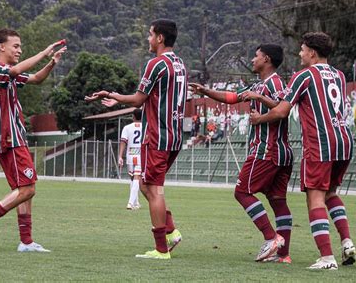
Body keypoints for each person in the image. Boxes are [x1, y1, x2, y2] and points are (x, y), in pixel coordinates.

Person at [250, 32, 355, 270]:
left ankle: (327, 258)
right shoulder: (339, 75)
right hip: (344, 140)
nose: (299, 53)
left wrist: (259, 119)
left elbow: (281, 111)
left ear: (312, 53)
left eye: (302, 49)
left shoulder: (303, 76)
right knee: (331, 194)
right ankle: (347, 241)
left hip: (320, 142)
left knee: (315, 198)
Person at [85, 19, 185, 260]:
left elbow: (138, 100)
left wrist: (112, 95)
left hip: (157, 136)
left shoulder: (156, 64)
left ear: (160, 38)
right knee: (144, 185)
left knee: (153, 189)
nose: (148, 40)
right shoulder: (179, 63)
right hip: (174, 136)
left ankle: (162, 249)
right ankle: (171, 232)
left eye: (150, 35)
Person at [189, 44, 294, 263]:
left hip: (267, 149)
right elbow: (231, 97)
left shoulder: (274, 83)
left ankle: (271, 238)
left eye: (255, 56)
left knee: (242, 192)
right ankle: (283, 255)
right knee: (277, 201)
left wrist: (260, 100)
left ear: (266, 59)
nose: (252, 60)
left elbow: (283, 109)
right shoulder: (260, 84)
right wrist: (205, 91)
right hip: (282, 152)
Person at [0, 28, 67, 252]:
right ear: (1, 47)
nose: (20, 50)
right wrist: (43, 52)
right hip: (8, 137)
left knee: (24, 188)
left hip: (14, 136)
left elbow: (36, 79)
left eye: (21, 47)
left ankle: (26, 241)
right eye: (16, 46)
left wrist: (52, 62)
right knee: (27, 189)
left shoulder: (7, 71)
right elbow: (15, 71)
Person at [119, 108, 143, 210]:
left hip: (130, 154)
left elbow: (123, 142)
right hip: (141, 155)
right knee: (137, 178)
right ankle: (130, 203)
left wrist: (120, 156)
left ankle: (136, 203)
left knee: (133, 178)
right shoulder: (146, 127)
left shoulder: (127, 128)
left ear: (133, 117)